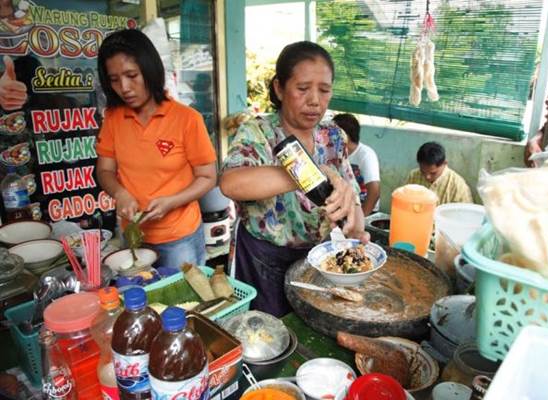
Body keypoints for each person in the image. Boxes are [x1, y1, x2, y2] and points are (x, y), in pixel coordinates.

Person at [220, 41, 367, 317]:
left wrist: (355, 228)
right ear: (279, 88)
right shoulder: (258, 132)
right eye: (302, 89)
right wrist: (307, 173)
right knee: (266, 333)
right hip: (263, 261)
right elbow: (231, 183)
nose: (315, 100)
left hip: (316, 260)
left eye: (324, 90)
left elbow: (351, 201)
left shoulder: (332, 136)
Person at [95, 29, 217, 268]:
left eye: (132, 75)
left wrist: (172, 201)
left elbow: (208, 177)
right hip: (132, 234)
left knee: (185, 301)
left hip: (178, 237)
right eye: (114, 79)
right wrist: (120, 193)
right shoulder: (113, 118)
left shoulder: (187, 119)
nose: (125, 87)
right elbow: (105, 171)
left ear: (150, 71)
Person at [332, 113, 381, 215]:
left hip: (365, 208)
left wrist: (361, 218)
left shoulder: (366, 155)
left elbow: (374, 192)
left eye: (332, 133)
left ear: (344, 136)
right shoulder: (334, 152)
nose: (329, 137)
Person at [405, 141, 473, 204]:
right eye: (423, 172)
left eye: (433, 173)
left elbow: (466, 215)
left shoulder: (458, 186)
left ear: (445, 163)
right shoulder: (413, 176)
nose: (427, 177)